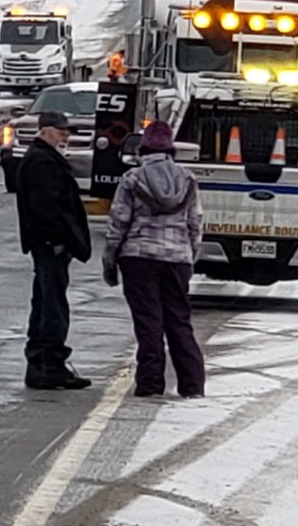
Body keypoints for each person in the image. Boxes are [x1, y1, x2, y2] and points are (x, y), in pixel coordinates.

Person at [102, 121, 206, 398]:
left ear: (143, 148)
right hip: (177, 258)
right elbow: (196, 223)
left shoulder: (133, 179)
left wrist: (110, 260)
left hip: (138, 257)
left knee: (149, 321)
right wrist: (189, 257)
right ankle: (192, 385)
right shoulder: (187, 179)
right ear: (171, 149)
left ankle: (150, 384)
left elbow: (118, 223)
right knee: (179, 321)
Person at [16, 109, 94, 390]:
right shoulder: (41, 162)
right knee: (52, 304)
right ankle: (49, 363)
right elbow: (45, 206)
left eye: (67, 130)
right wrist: (56, 240)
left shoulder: (43, 158)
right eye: (60, 130)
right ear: (44, 130)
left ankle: (41, 364)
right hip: (50, 245)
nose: (65, 135)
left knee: (45, 301)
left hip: (48, 244)